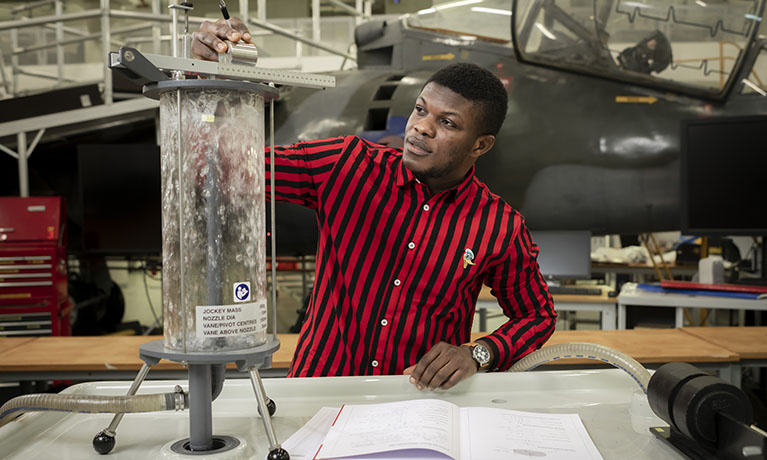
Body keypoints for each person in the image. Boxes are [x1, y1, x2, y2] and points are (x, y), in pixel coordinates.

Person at [192, 19, 556, 391]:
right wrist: (208, 80)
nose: (421, 128)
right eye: (420, 110)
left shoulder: (498, 226)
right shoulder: (347, 165)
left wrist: (479, 353)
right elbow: (225, 168)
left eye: (446, 122)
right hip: (319, 396)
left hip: (417, 405)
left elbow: (537, 316)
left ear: (481, 145)